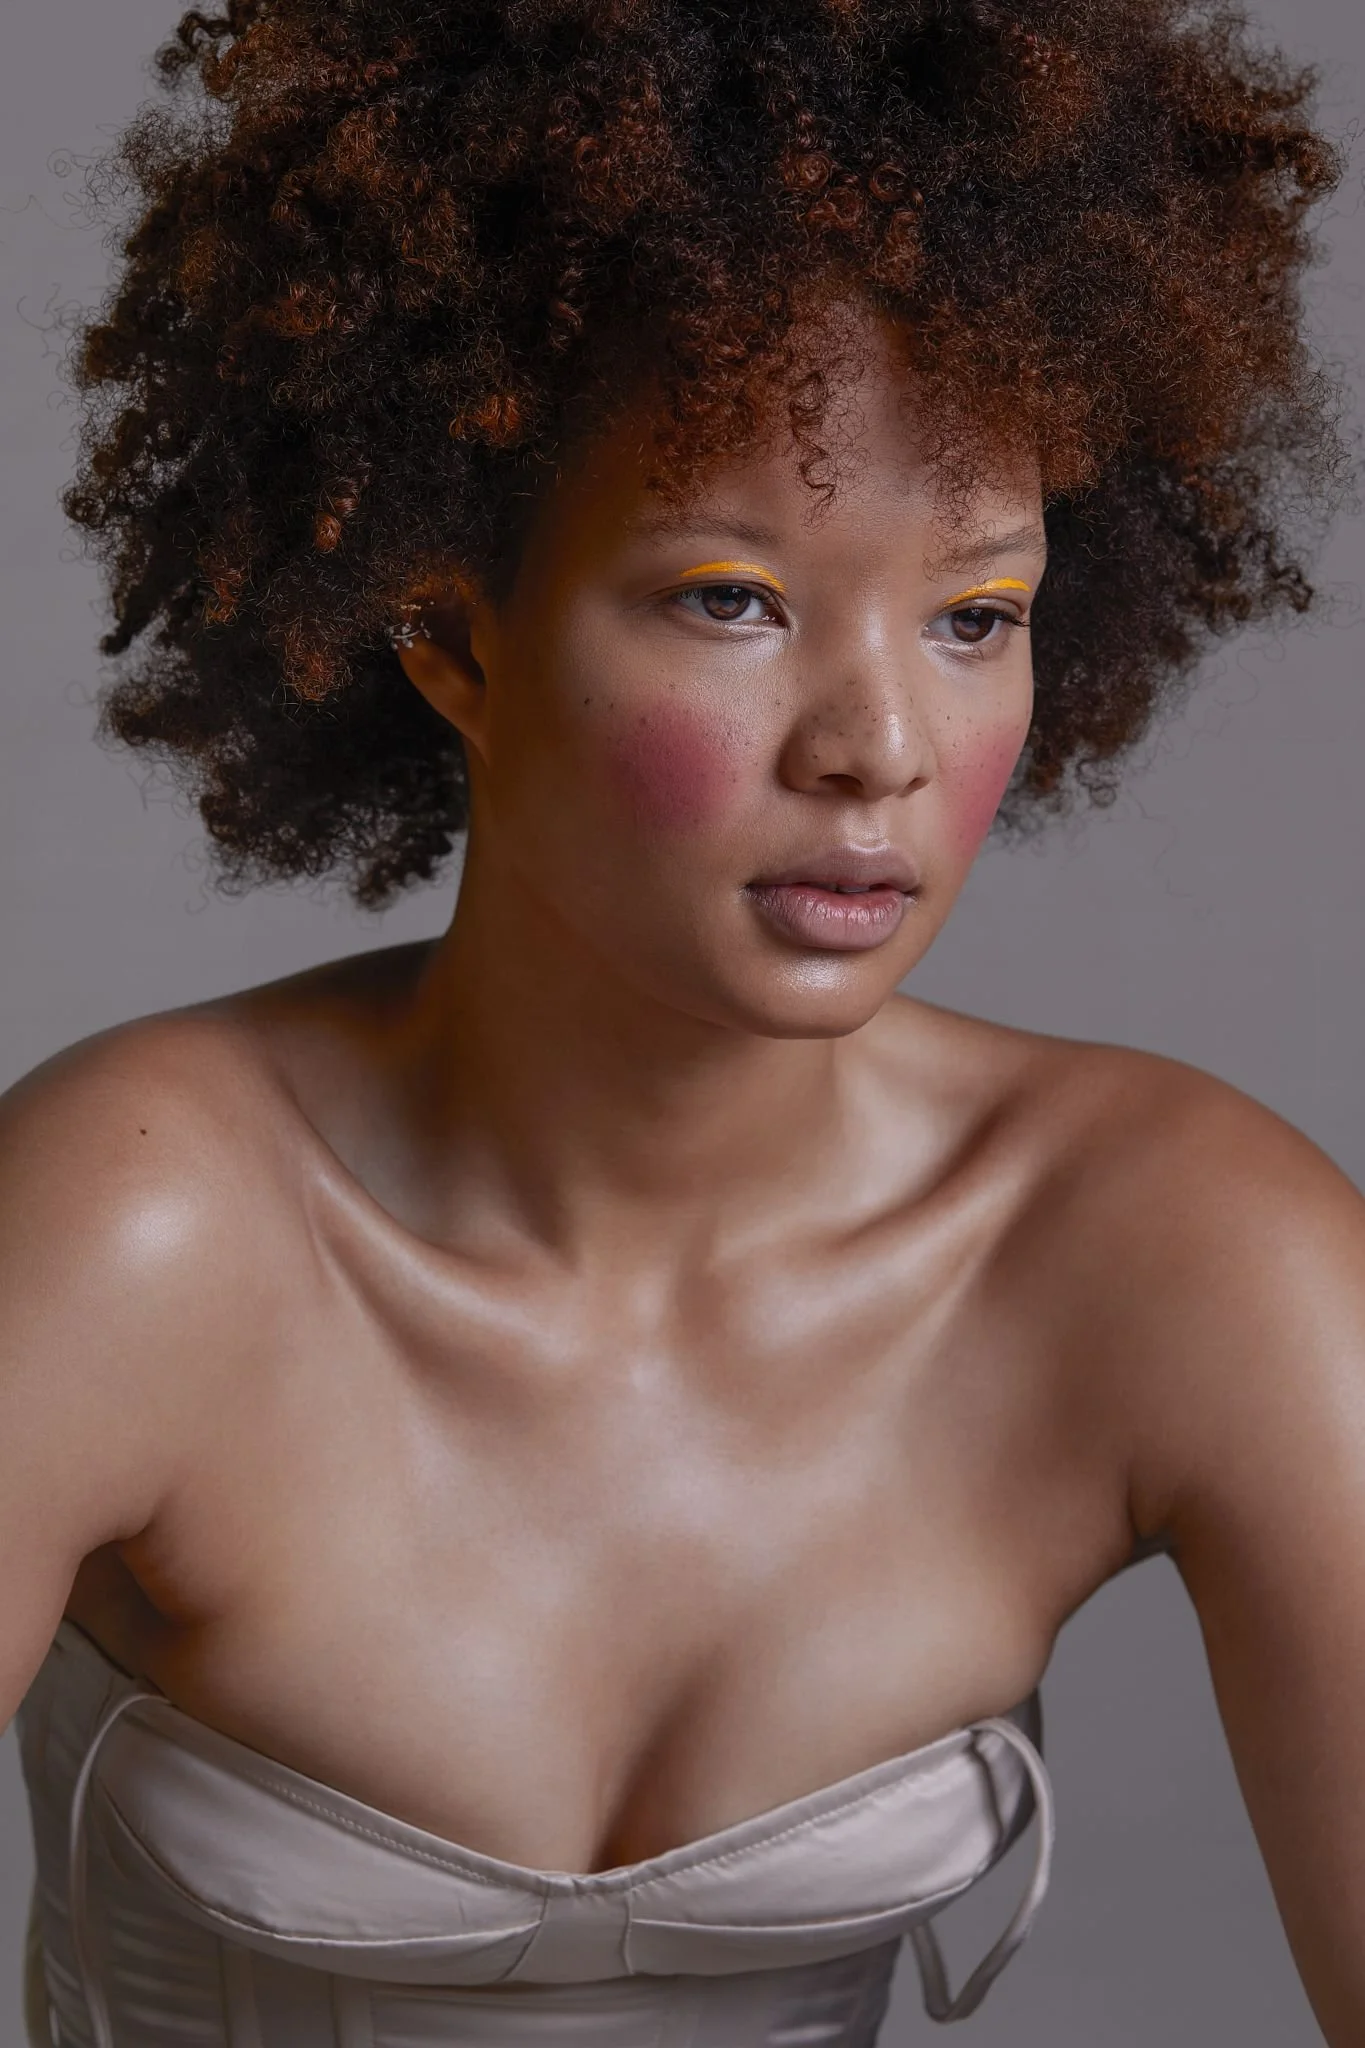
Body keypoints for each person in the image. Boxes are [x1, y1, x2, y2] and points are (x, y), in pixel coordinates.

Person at [4, 0, 1362, 2042]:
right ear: (454, 634)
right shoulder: (138, 1229)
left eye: (974, 614)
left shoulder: (1183, 1250)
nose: (877, 747)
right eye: (730, 596)